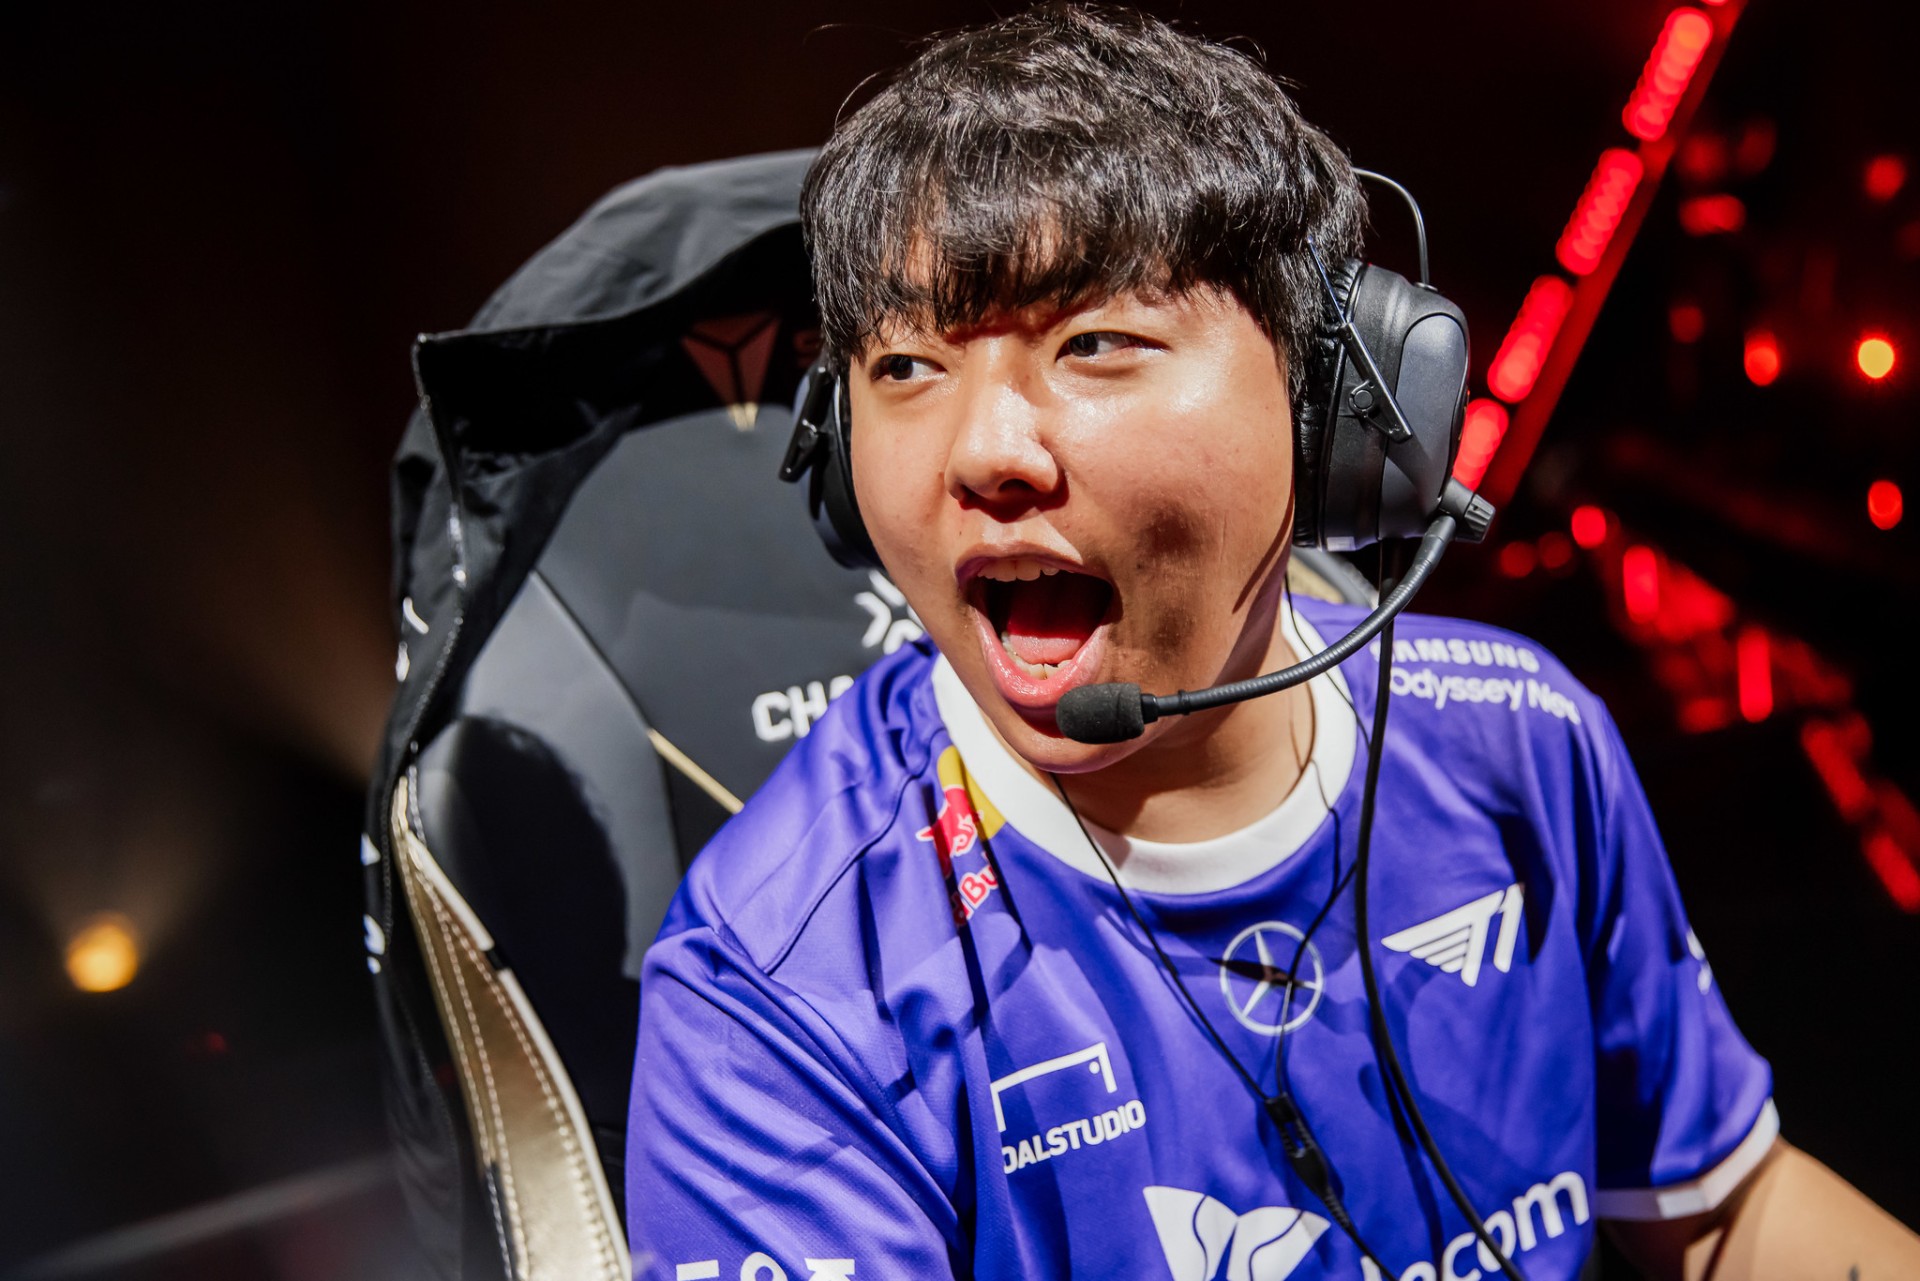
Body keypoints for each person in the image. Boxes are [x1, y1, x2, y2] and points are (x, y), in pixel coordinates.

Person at [624, 7, 1919, 1279]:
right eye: (907, 367)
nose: (985, 454)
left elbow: (1724, 1213)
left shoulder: (1522, 742)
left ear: (1330, 408)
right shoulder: (777, 987)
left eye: (1093, 343)